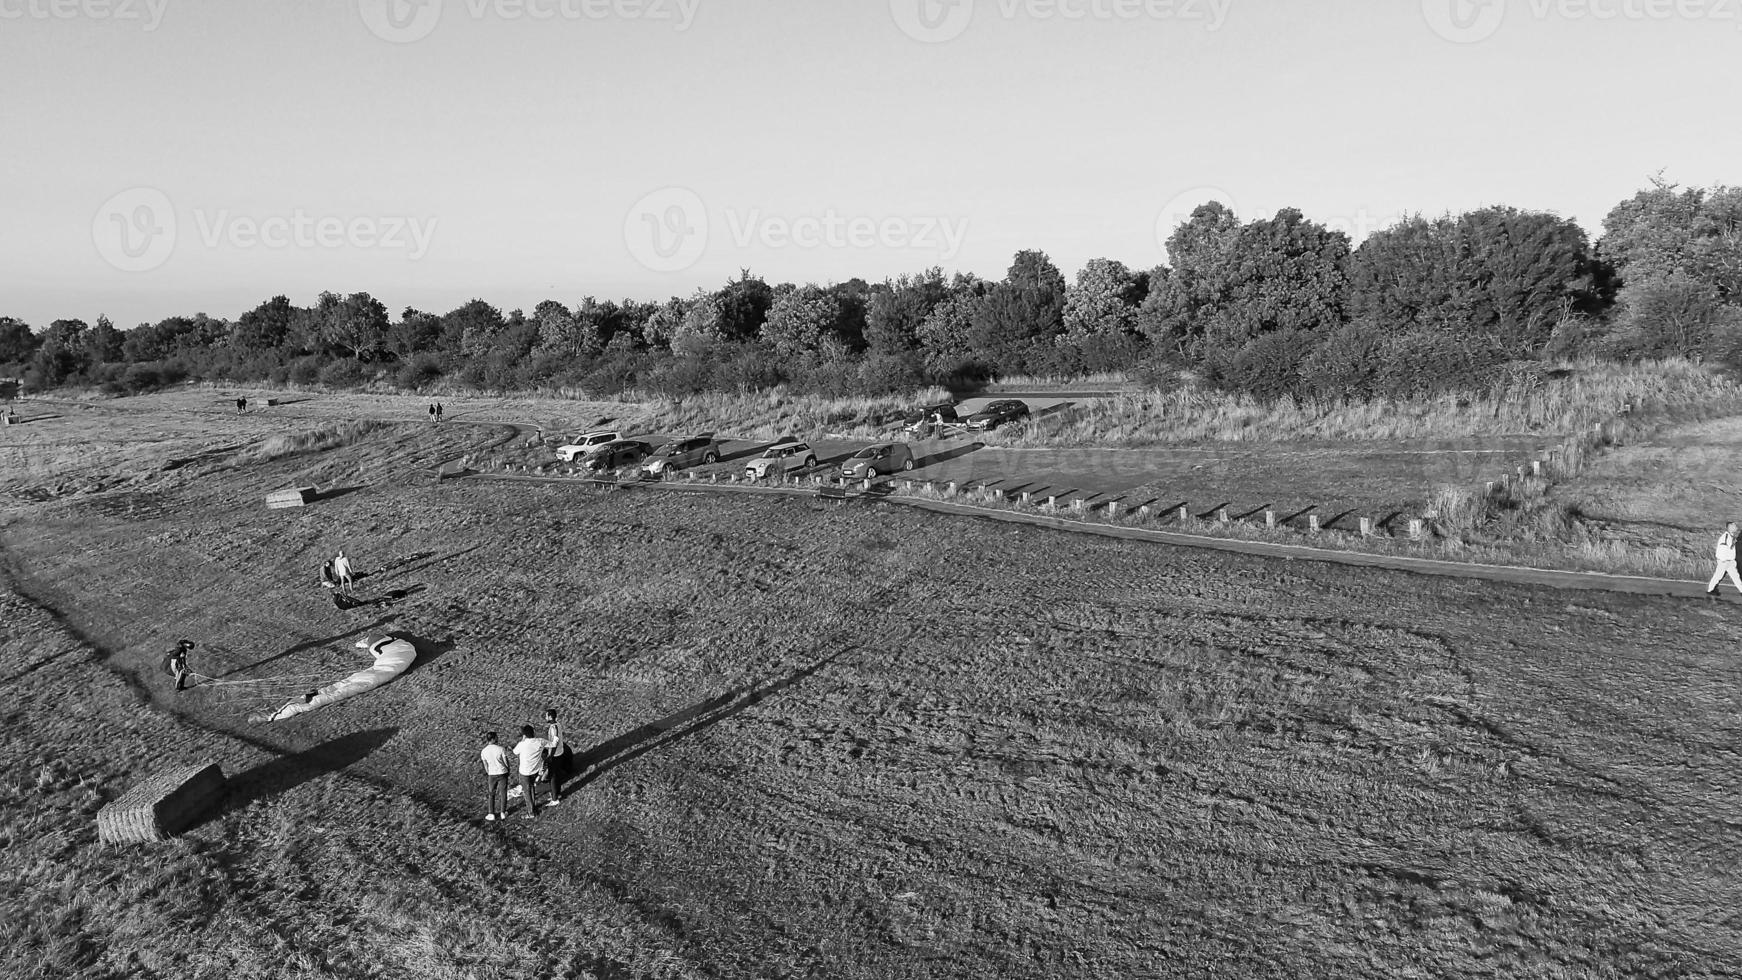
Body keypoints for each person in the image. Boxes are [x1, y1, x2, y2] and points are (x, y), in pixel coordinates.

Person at [512, 725, 555, 817]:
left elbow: (515, 752)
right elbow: (552, 744)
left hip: (524, 772)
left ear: (524, 735)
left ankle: (531, 812)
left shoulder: (522, 744)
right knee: (531, 788)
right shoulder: (540, 741)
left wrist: (522, 740)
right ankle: (533, 806)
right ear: (533, 733)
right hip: (534, 771)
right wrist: (556, 738)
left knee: (527, 792)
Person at [480, 731, 511, 822]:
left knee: (491, 793)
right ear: (493, 739)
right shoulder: (501, 749)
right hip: (502, 772)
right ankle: (503, 812)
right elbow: (505, 761)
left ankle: (491, 813)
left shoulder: (484, 751)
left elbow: (485, 764)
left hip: (492, 774)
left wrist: (489, 772)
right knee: (503, 793)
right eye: (496, 737)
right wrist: (508, 769)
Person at [543, 708, 569, 805]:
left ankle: (554, 799)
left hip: (555, 755)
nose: (545, 717)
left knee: (552, 776)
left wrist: (550, 755)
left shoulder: (554, 728)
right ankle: (557, 794)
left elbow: (555, 743)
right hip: (559, 753)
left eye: (546, 716)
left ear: (550, 717)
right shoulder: (557, 725)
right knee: (557, 775)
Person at [1709, 522, 1742, 597]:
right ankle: (1710, 590)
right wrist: (1723, 560)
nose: (1736, 527)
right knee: (1718, 576)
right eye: (1734, 526)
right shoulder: (1726, 537)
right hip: (1724, 561)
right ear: (1729, 527)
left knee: (1736, 577)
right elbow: (1722, 549)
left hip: (1729, 562)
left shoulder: (1731, 537)